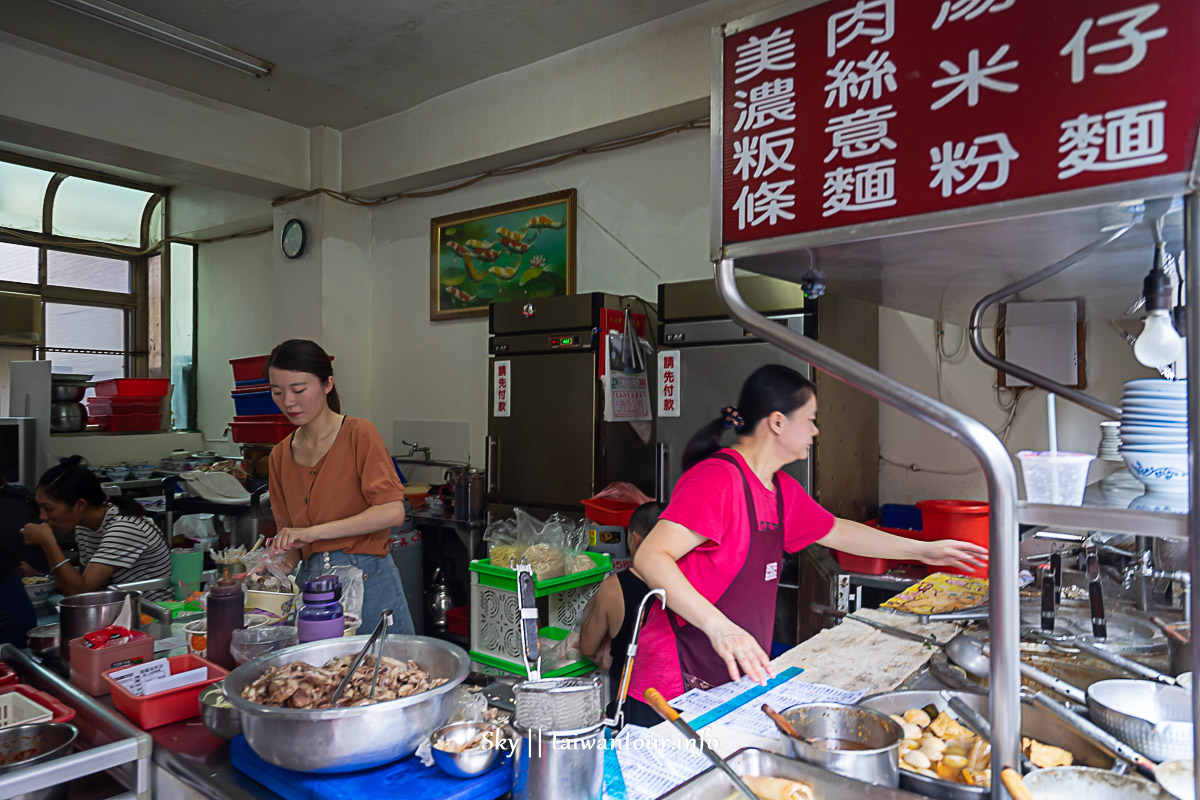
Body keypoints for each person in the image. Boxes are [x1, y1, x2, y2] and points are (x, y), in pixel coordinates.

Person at [631, 365, 987, 702]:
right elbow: (650, 556)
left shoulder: (780, 489)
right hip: (672, 677)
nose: (816, 432)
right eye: (811, 420)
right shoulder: (718, 480)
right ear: (777, 422)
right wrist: (720, 628)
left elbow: (838, 531)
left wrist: (923, 551)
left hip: (730, 670)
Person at [266, 338, 414, 634]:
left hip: (368, 579)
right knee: (326, 676)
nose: (288, 402)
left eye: (298, 389)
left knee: (387, 673)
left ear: (327, 384)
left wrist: (311, 533)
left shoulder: (359, 434)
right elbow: (294, 543)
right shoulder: (279, 455)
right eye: (277, 392)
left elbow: (392, 511)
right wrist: (278, 566)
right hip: (313, 588)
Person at [21, 457, 172, 600]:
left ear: (80, 505)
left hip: (150, 613)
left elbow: (79, 591)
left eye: (49, 509)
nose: (42, 516)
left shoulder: (124, 528)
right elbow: (79, 585)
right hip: (117, 608)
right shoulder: (85, 528)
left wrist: (48, 543)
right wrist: (38, 576)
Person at [579, 500, 665, 726]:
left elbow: (587, 646)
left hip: (630, 707)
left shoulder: (615, 587)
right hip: (677, 701)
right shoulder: (687, 582)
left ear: (635, 539)